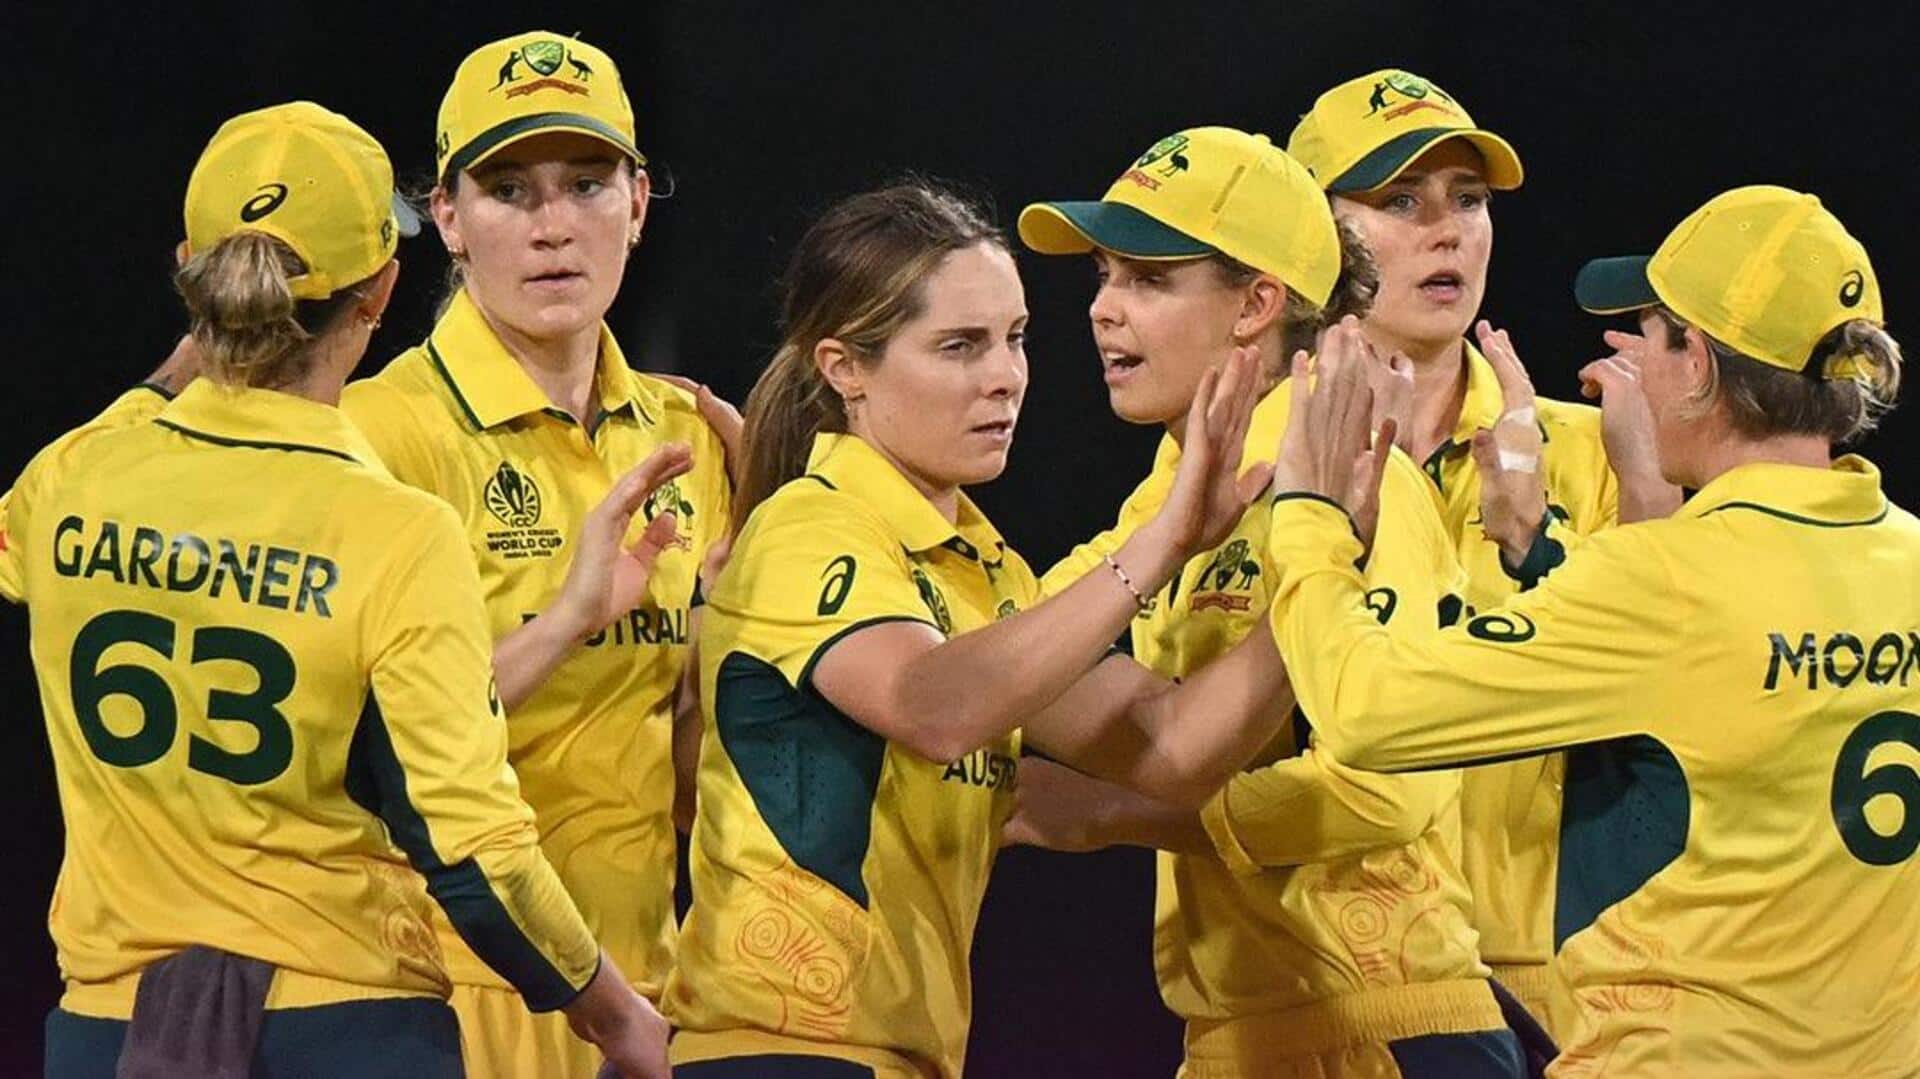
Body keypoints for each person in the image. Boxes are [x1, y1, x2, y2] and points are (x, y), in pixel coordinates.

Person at [4, 101, 671, 1078]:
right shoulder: (393, 530)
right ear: (381, 289)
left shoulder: (68, 483)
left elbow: (41, 510)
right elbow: (472, 844)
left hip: (110, 1026)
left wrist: (190, 356)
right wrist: (612, 1013)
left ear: (192, 269)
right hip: (344, 1024)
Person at [663, 179, 1326, 1078]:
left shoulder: (986, 573)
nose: (1006, 376)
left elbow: (1175, 748)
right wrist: (1163, 540)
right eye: (959, 346)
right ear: (845, 368)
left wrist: (1325, 563)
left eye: (1014, 338)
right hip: (778, 1053)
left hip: (900, 1060)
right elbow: (932, 706)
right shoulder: (806, 525)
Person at [1265, 184, 1914, 1074]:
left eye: (1650, 333)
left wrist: (1309, 511)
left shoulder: (1668, 580)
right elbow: (1692, 684)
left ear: (1699, 366)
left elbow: (1368, 711)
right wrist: (1538, 541)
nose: (1631, 361)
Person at [1010, 126, 1524, 1077]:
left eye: (1149, 280)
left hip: (1385, 1027)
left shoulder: (1353, 471)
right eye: (1103, 277)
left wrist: (1119, 810)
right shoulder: (1176, 494)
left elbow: (1391, 783)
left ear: (1257, 304)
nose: (1103, 310)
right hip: (1247, 1033)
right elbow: (1007, 631)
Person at [340, 31, 732, 1077]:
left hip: (643, 996)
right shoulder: (378, 435)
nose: (554, 226)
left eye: (587, 184)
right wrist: (567, 620)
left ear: (638, 204)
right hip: (437, 991)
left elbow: (687, 762)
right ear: (448, 217)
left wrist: (742, 622)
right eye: (509, 191)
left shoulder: (686, 440)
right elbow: (362, 752)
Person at [1287, 69, 1682, 1033]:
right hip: (1307, 987)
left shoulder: (1596, 450)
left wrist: (1569, 529)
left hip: (1556, 992)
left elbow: (1670, 714)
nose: (1448, 231)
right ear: (1313, 236)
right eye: (1400, 203)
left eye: (1469, 200)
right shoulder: (1256, 452)